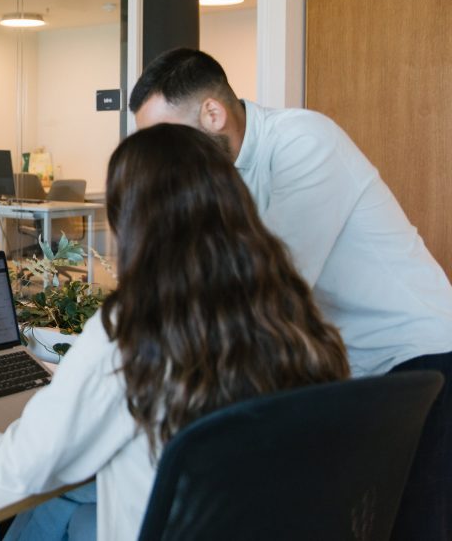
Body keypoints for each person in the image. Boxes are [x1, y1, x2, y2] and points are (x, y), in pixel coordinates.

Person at [0, 124, 350, 541]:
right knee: (68, 501)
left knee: (44, 493)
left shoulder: (132, 332)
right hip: (237, 521)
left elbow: (20, 466)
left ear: (133, 221)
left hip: (161, 524)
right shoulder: (290, 313)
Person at [128, 47, 452, 540]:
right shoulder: (219, 178)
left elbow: (270, 289)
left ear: (212, 113)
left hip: (422, 354)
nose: (160, 158)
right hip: (357, 370)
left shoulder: (303, 140)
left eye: (165, 137)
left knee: (416, 526)